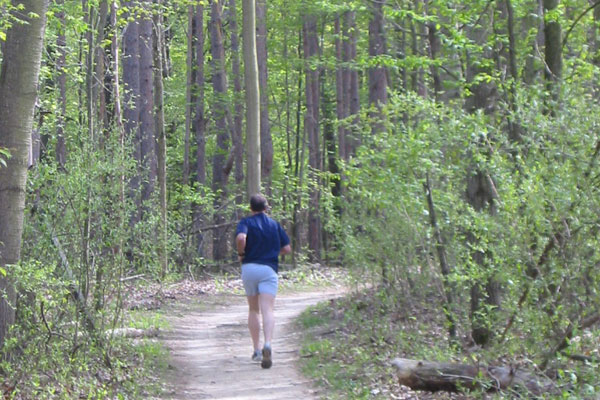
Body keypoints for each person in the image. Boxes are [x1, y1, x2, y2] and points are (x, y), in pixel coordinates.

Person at [235, 194, 291, 369]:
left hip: (249, 267)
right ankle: (268, 343)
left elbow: (241, 238)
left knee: (253, 309)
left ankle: (257, 350)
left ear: (251, 208)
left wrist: (241, 254)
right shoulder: (275, 225)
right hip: (268, 269)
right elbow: (287, 248)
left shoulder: (245, 222)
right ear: (266, 208)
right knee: (268, 309)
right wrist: (273, 252)